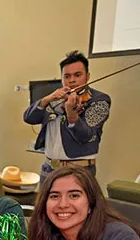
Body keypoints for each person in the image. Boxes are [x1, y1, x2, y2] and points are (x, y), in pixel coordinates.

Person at [23, 50, 111, 183]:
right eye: (67, 76)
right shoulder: (56, 98)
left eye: (77, 75)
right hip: (49, 168)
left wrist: (72, 114)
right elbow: (29, 118)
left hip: (79, 170)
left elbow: (84, 136)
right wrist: (47, 99)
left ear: (87, 76)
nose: (72, 80)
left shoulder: (99, 100)